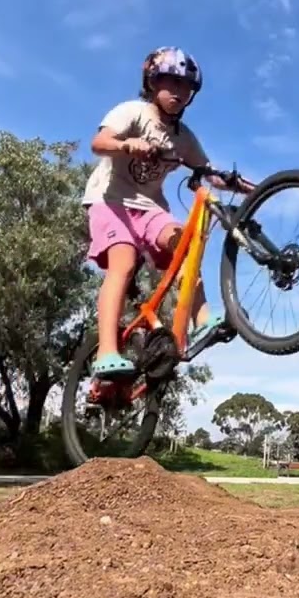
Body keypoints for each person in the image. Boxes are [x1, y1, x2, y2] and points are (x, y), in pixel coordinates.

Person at [81, 46, 254, 379]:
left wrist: (249, 187)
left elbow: (209, 172)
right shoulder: (132, 112)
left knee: (186, 246)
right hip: (110, 201)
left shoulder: (183, 138)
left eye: (186, 87)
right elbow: (99, 142)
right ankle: (106, 352)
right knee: (123, 263)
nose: (178, 92)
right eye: (171, 82)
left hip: (150, 208)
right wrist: (127, 144)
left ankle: (202, 319)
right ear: (151, 82)